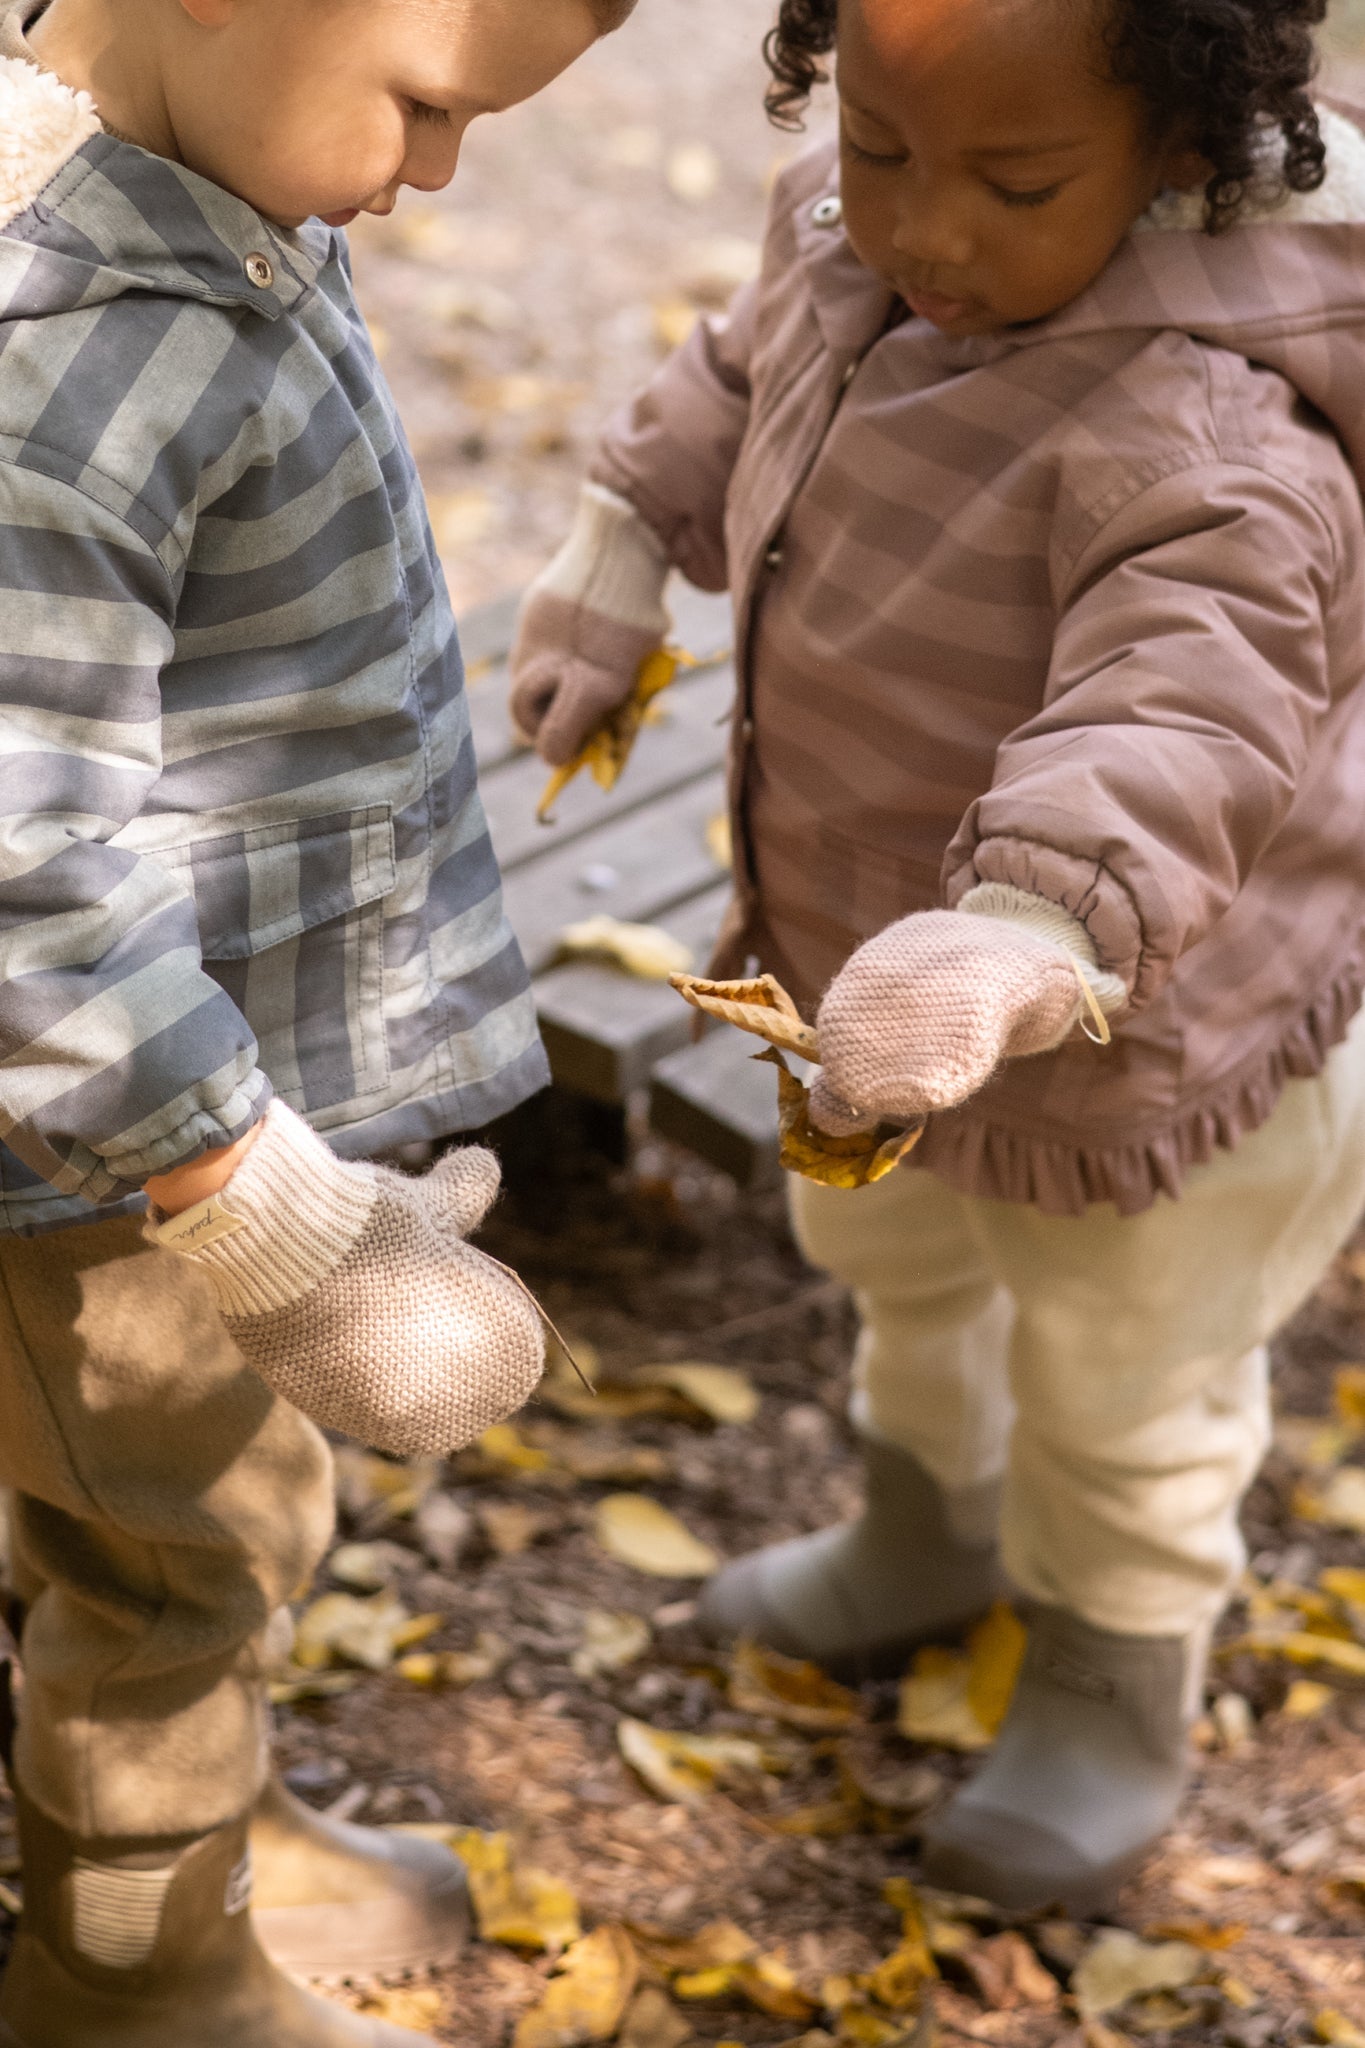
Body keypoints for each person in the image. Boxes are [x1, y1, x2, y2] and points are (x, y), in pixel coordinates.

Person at [511, 0, 1365, 1916]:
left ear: (1177, 150)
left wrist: (1022, 936)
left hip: (1136, 1023)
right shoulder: (849, 234)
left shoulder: (1205, 419)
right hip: (871, 967)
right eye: (880, 144)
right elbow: (746, 369)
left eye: (1011, 181)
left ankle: (1105, 1679)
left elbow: (1181, 714)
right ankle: (928, 1525)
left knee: (1118, 1378)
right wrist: (621, 551)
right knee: (893, 1261)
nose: (923, 232)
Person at [0, 0, 634, 2039]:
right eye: (432, 105)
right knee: (180, 1556)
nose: (437, 170)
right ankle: (137, 1964)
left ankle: (208, 1830)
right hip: (118, 1186)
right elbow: (22, 872)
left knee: (161, 1516)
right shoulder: (73, 359)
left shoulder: (198, 164)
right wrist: (254, 1203)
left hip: (177, 1122)